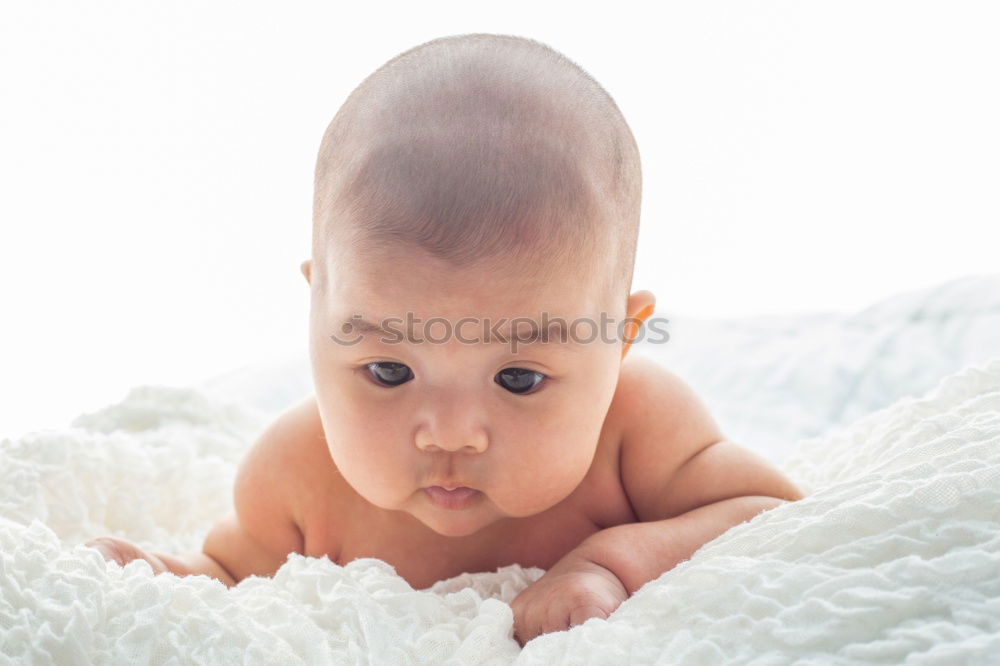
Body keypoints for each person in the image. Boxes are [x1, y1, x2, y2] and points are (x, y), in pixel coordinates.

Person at [86, 32, 804, 647]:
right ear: (318, 313)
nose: (449, 435)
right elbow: (235, 575)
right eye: (391, 371)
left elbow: (767, 514)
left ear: (618, 340)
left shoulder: (637, 428)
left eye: (518, 378)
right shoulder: (297, 475)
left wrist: (612, 562)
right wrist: (161, 574)